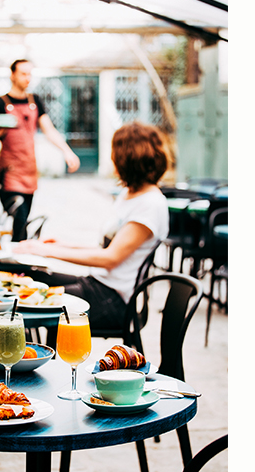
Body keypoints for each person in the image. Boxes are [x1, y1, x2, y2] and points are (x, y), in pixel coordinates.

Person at [13, 122, 170, 329]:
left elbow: (110, 258)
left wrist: (46, 251)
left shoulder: (150, 204)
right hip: (97, 285)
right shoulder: (131, 194)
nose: (111, 159)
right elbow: (108, 249)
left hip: (112, 300)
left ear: (127, 158)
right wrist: (62, 244)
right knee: (29, 278)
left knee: (22, 299)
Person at [0, 59, 81, 241]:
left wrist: (67, 151)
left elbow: (49, 130)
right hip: (9, 171)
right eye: (23, 73)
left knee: (23, 220)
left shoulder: (35, 101)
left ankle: (16, 261)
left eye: (30, 74)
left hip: (29, 170)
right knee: (19, 218)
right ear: (12, 75)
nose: (27, 78)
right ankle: (16, 262)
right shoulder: (0, 103)